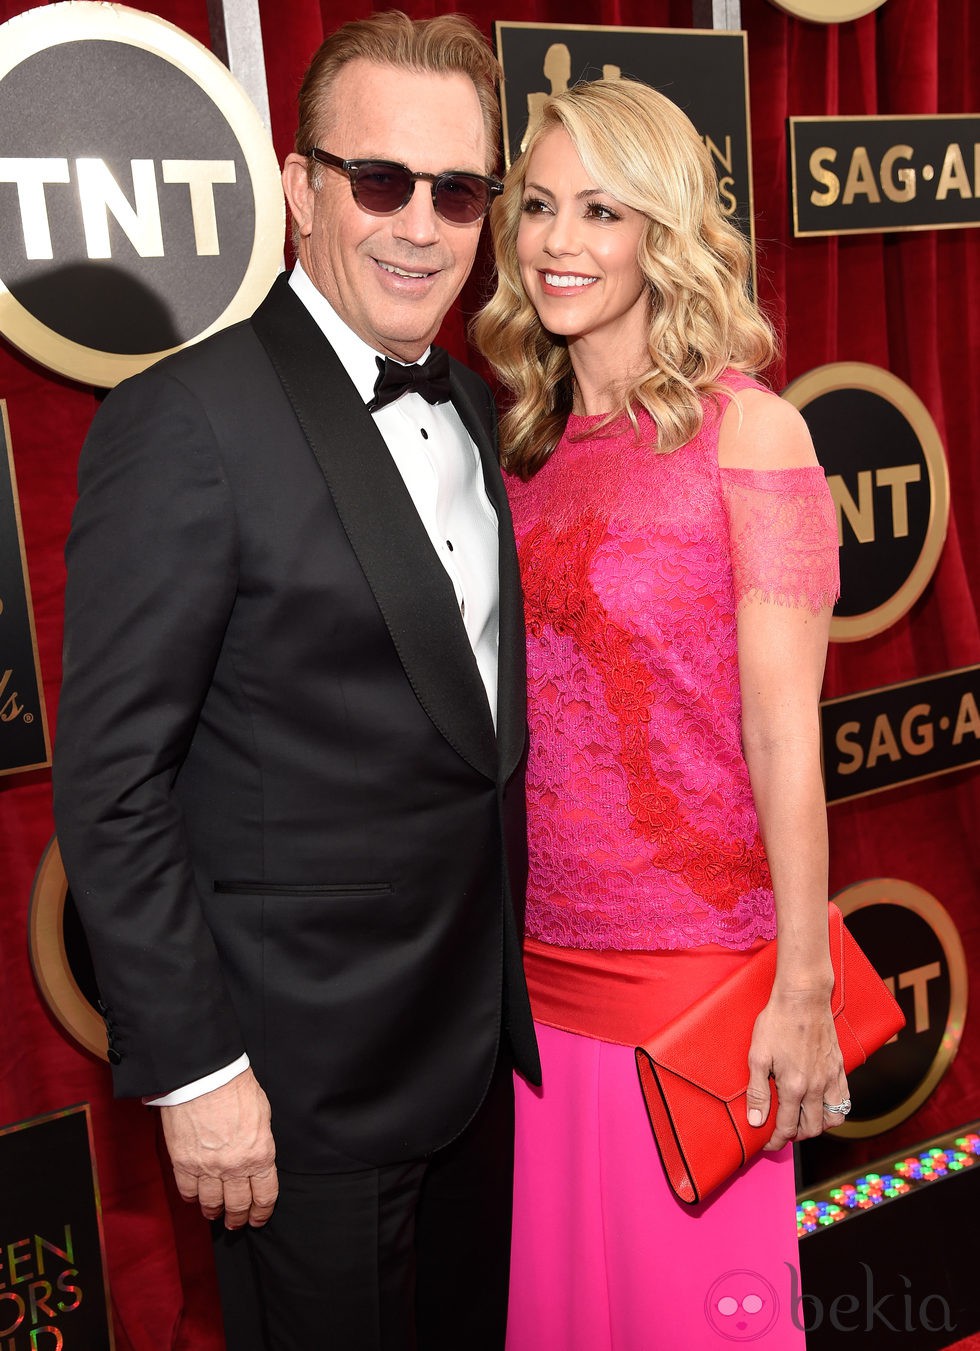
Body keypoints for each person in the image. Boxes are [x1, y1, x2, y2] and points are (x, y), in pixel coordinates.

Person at [52, 12, 539, 1351]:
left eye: (459, 191)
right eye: (380, 180)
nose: (420, 225)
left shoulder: (486, 410)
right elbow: (109, 782)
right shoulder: (186, 419)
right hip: (293, 1103)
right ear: (299, 186)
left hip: (475, 1069)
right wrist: (198, 1070)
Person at [473, 78, 845, 1349]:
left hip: (693, 985)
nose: (557, 242)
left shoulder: (751, 437)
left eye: (601, 211)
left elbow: (784, 736)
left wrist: (801, 986)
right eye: (536, 207)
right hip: (538, 980)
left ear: (662, 233)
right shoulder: (521, 446)